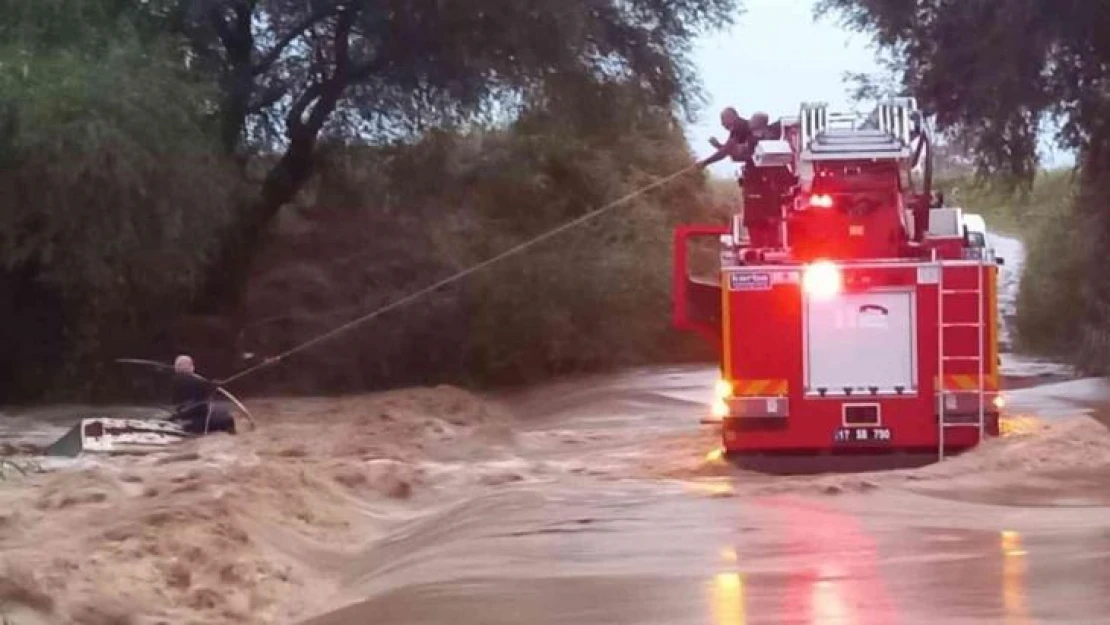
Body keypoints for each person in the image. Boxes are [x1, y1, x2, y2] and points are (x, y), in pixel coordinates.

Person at [170, 355, 236, 435]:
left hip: (185, 415)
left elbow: (205, 386)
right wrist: (214, 384)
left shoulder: (176, 380)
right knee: (228, 419)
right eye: (191, 364)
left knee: (220, 408)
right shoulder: (191, 380)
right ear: (189, 366)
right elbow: (206, 387)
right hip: (196, 416)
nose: (193, 366)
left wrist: (212, 384)